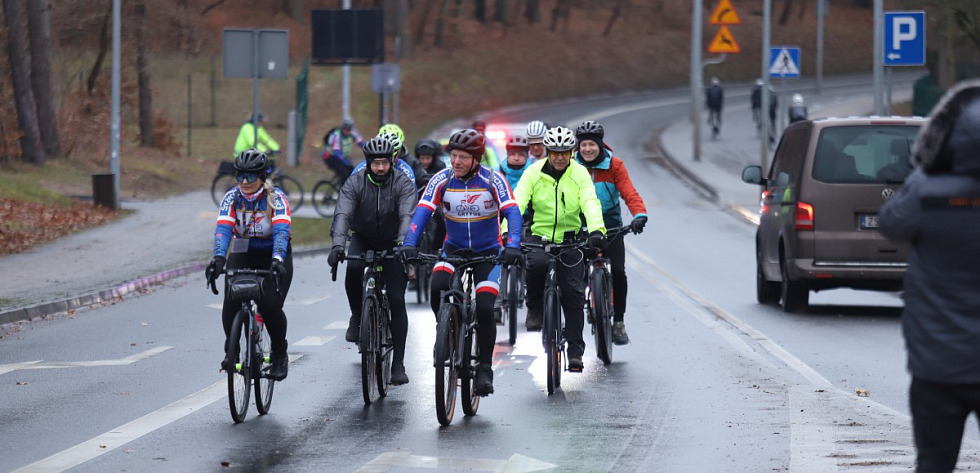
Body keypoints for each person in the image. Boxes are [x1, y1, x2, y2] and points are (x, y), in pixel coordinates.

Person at [878, 80, 980, 473]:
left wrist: (925, 170)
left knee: (934, 463)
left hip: (938, 367)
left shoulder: (927, 195)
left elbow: (890, 223)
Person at [397, 128, 523, 396]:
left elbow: (512, 212)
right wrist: (409, 242)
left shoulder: (493, 179)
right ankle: (445, 332)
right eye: (453, 156)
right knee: (437, 287)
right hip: (452, 250)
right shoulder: (441, 179)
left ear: (476, 158)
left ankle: (486, 368)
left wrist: (512, 245)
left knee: (487, 308)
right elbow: (422, 211)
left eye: (463, 157)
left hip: (488, 254)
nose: (456, 162)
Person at [511, 126, 605, 372]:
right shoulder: (533, 172)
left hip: (570, 238)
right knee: (536, 266)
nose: (560, 157)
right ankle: (534, 307)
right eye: (555, 153)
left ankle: (575, 351)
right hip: (539, 235)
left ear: (571, 152)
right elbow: (517, 202)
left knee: (573, 293)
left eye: (564, 152)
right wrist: (507, 232)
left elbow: (590, 201)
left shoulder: (580, 173)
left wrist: (596, 230)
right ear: (548, 152)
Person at [328, 135, 417, 385]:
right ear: (367, 163)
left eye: (384, 163)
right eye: (375, 163)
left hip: (393, 242)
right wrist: (337, 245)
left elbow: (407, 214)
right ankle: (357, 316)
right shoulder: (355, 182)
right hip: (364, 237)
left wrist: (403, 245)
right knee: (354, 267)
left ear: (392, 162)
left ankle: (398, 363)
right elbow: (343, 213)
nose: (380, 168)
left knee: (397, 299)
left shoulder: (403, 182)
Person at [206, 149, 293, 381]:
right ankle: (231, 348)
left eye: (251, 176)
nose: (245, 181)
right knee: (231, 299)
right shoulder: (231, 198)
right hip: (244, 250)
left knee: (270, 305)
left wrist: (277, 260)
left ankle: (279, 354)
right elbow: (224, 229)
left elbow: (282, 232)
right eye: (240, 176)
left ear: (262, 177)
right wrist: (217, 259)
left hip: (273, 253)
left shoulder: (276, 198)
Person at [573, 120, 648, 345]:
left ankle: (618, 323)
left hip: (611, 227)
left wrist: (639, 215)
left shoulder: (614, 165)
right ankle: (587, 301)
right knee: (575, 275)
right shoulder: (572, 166)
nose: (587, 149)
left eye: (592, 145)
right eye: (583, 145)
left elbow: (629, 192)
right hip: (581, 227)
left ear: (600, 145)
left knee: (618, 272)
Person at [351, 124, 417, 185]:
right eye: (377, 162)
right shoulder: (361, 169)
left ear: (397, 154)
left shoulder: (405, 170)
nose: (381, 167)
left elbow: (411, 194)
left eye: (388, 159)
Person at [322, 119, 365, 187]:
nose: (349, 132)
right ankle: (342, 194)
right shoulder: (336, 136)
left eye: (350, 130)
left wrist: (369, 150)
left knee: (353, 172)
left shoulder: (352, 133)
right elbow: (337, 153)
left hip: (341, 157)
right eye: (347, 130)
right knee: (344, 175)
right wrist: (346, 162)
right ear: (343, 129)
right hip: (330, 157)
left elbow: (361, 143)